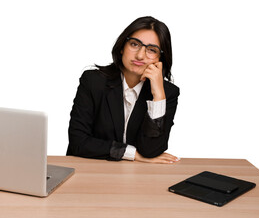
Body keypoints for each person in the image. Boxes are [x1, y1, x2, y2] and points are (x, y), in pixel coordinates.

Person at [67, 16, 180, 164]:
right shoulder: (93, 81)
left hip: (137, 177)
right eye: (134, 44)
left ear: (160, 59)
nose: (140, 55)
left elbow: (151, 151)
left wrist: (158, 96)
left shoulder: (168, 93)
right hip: (89, 170)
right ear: (122, 47)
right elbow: (78, 142)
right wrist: (132, 154)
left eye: (151, 50)